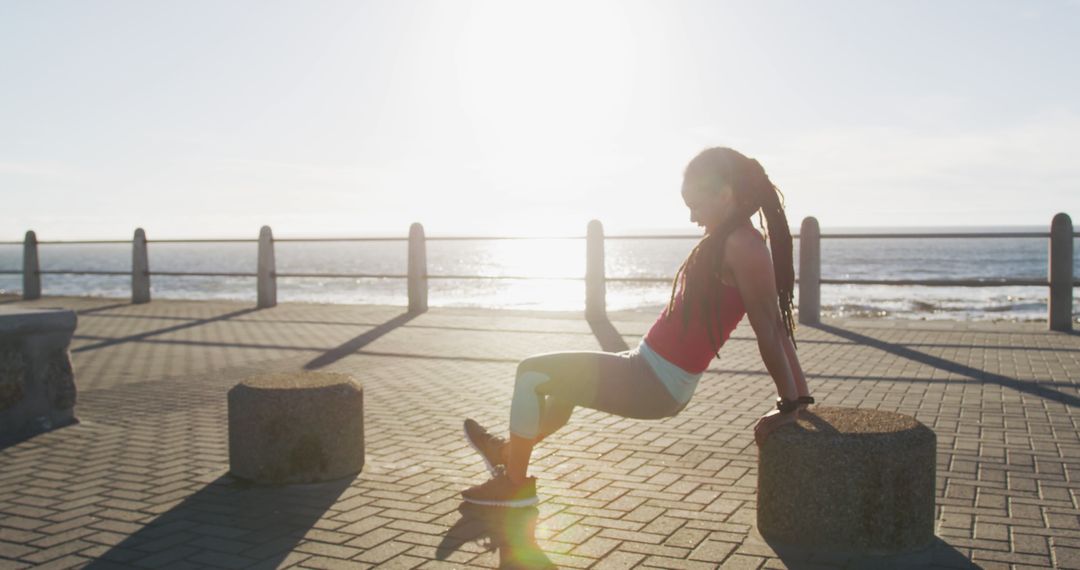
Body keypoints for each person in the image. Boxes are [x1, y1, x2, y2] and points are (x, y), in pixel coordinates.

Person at [461, 147, 812, 507]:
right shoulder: (736, 240)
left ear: (724, 195)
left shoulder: (742, 245)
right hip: (646, 368)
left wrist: (789, 404)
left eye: (695, 204)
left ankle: (515, 484)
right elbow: (777, 327)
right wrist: (801, 398)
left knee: (531, 373)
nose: (692, 216)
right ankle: (507, 453)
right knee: (563, 391)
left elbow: (770, 329)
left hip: (652, 381)